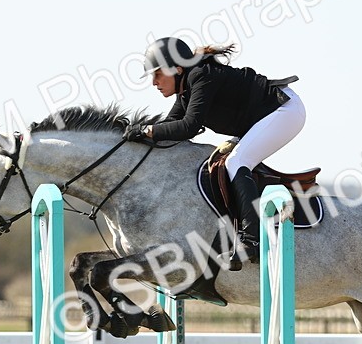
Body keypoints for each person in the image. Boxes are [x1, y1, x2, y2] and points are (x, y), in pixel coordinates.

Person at [127, 37, 305, 264]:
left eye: (158, 74)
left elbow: (188, 127)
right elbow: (169, 125)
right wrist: (137, 134)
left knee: (236, 162)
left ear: (177, 69)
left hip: (284, 110)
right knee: (228, 161)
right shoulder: (186, 89)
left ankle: (253, 241)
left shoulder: (202, 75)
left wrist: (147, 130)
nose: (154, 82)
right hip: (262, 117)